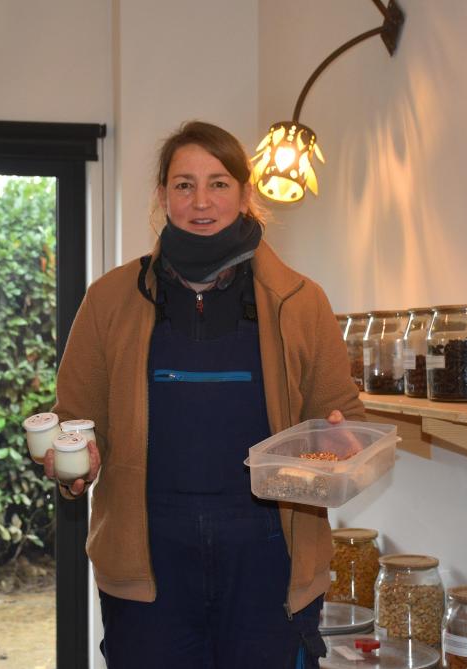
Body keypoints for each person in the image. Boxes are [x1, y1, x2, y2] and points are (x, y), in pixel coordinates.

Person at [42, 121, 364, 668]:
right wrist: (73, 463)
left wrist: (341, 440)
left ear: (244, 194)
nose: (201, 201)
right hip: (147, 563)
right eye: (184, 184)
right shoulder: (109, 299)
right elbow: (74, 419)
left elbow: (344, 416)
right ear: (163, 196)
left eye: (218, 183)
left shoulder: (300, 301)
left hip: (271, 559)